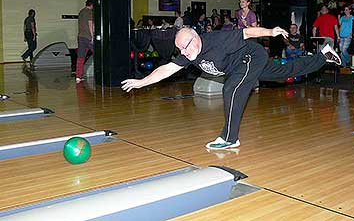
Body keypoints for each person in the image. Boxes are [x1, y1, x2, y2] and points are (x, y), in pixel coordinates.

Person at [121, 26, 341, 149]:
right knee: (283, 73)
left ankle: (229, 138)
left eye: (186, 47)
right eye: (180, 49)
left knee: (231, 88)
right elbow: (166, 69)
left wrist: (271, 32)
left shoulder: (218, 40)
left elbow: (247, 32)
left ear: (196, 38)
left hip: (250, 56)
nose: (185, 53)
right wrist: (141, 82)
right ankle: (323, 56)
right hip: (243, 66)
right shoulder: (188, 53)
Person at [76, 0, 94, 83]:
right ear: (92, 5)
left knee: (81, 57)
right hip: (88, 37)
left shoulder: (81, 11)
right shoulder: (89, 12)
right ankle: (101, 74)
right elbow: (90, 24)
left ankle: (78, 77)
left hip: (81, 37)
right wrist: (93, 37)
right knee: (99, 55)